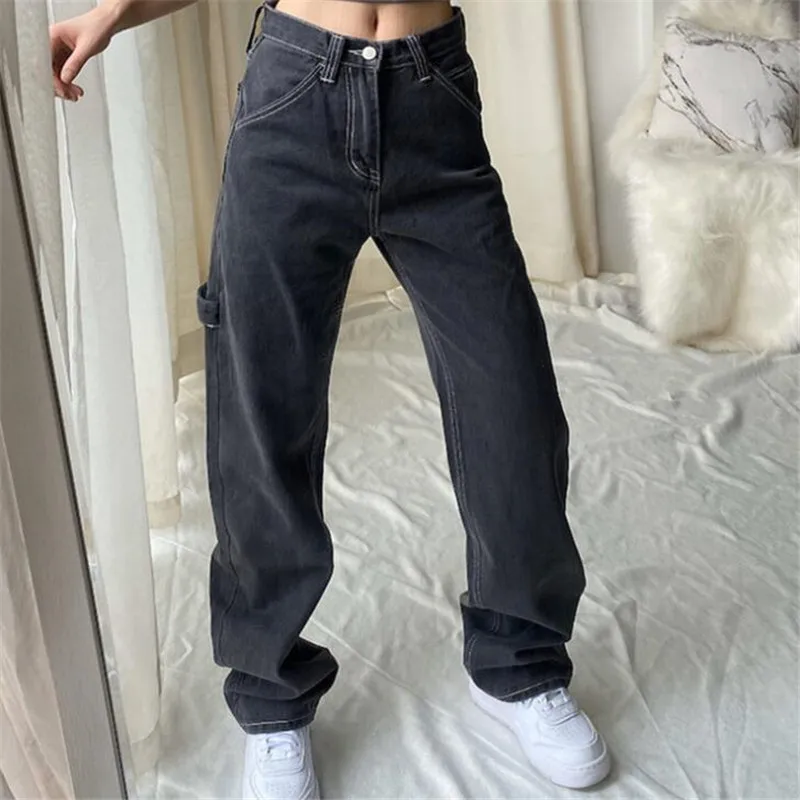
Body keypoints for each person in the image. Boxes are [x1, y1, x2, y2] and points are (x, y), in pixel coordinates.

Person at [51, 1, 611, 798]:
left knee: (512, 399)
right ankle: (272, 697)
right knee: (262, 411)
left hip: (432, 97)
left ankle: (520, 661)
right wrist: (110, 16)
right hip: (293, 94)